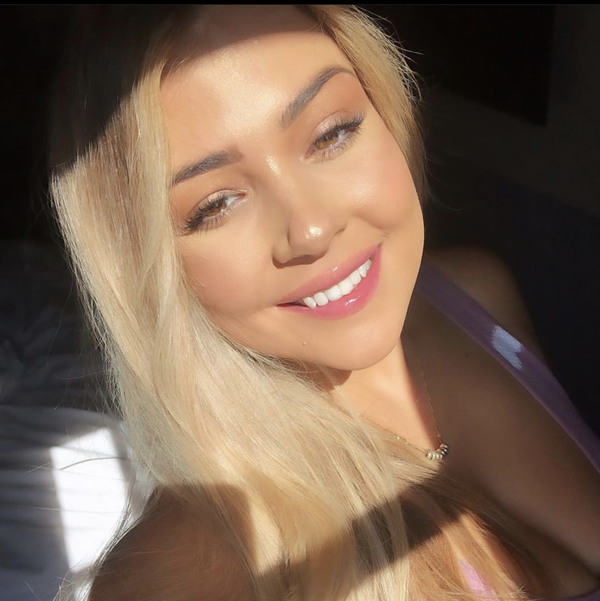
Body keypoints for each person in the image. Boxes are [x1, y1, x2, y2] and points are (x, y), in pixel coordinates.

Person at [48, 5, 600, 600]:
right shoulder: (190, 571)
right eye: (216, 204)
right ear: (149, 266)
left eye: (330, 133)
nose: (310, 229)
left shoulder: (475, 292)